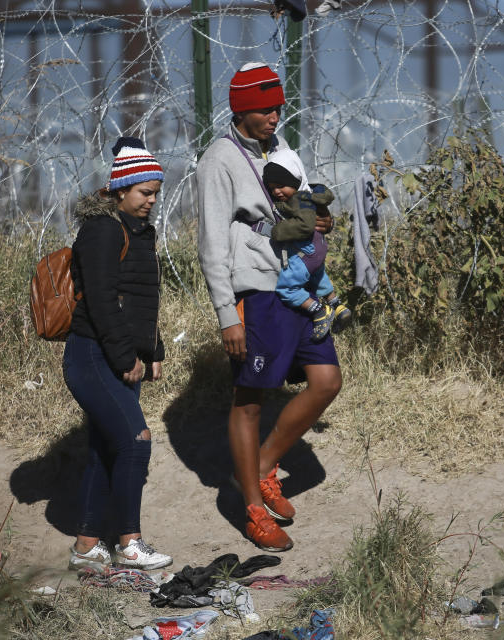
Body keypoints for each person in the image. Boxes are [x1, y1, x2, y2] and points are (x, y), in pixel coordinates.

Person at [196, 63, 342, 552]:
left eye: (278, 106)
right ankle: (253, 509)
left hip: (301, 283)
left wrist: (319, 221)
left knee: (326, 381)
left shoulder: (281, 149)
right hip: (258, 289)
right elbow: (212, 243)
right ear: (241, 108)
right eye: (264, 108)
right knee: (251, 399)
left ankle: (259, 471)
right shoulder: (218, 161)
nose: (274, 116)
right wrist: (225, 314)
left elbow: (302, 201)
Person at [63, 137, 172, 571]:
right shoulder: (103, 230)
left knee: (105, 450)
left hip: (122, 355)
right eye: (145, 193)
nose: (151, 201)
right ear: (121, 190)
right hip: (93, 354)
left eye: (155, 194)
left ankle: (87, 547)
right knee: (135, 441)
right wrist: (128, 357)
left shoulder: (138, 232)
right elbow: (103, 303)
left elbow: (143, 299)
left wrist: (153, 349)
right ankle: (130, 543)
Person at [262, 148, 352, 341]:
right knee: (318, 278)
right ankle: (338, 306)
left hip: (305, 253)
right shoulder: (310, 194)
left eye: (281, 185)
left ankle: (319, 311)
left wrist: (278, 232)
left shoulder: (300, 201)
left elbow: (305, 225)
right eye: (272, 188)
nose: (276, 191)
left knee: (287, 289)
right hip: (317, 251)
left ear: (294, 182)